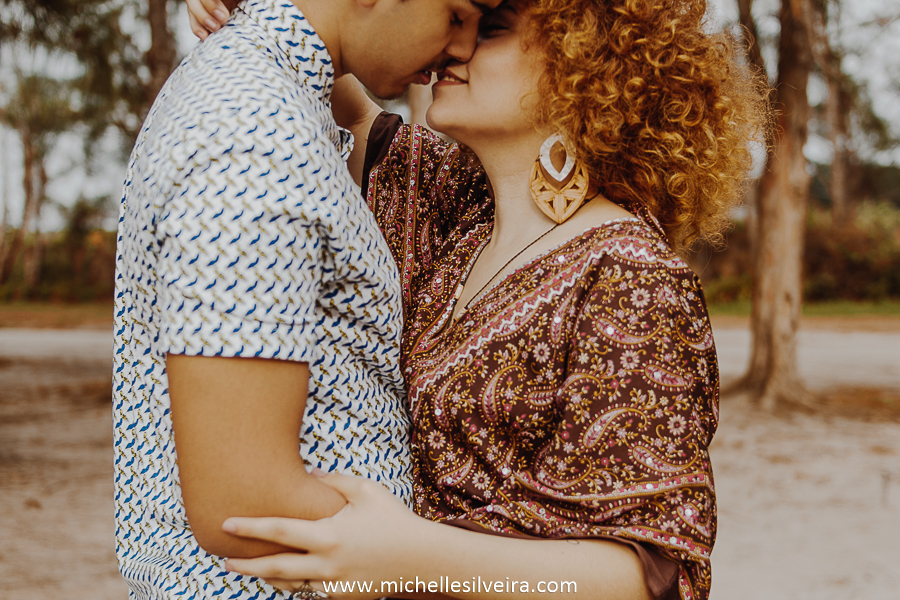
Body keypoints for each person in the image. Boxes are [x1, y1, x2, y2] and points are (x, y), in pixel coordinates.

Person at [187, 0, 768, 598]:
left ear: (584, 63)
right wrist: (258, 8)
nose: (454, 48)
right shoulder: (463, 212)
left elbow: (649, 577)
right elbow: (349, 95)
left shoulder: (630, 276)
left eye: (491, 29)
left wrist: (411, 560)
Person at [111, 0, 504, 598]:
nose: (464, 47)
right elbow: (244, 503)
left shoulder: (274, 93)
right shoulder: (254, 138)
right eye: (456, 14)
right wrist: (440, 572)